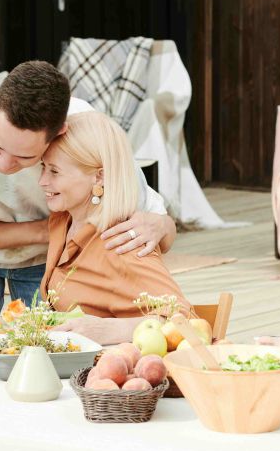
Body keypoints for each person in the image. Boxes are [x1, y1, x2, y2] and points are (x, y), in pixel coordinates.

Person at [0, 60, 176, 305]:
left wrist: (161, 224)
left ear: (60, 132)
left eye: (25, 157)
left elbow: (156, 220)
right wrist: (51, 230)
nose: (5, 165)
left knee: (51, 345)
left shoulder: (86, 130)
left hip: (52, 259)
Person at [39, 112, 191, 345]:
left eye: (54, 171)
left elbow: (186, 322)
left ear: (99, 177)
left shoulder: (120, 242)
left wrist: (108, 329)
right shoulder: (62, 221)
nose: (42, 181)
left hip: (112, 374)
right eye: (43, 167)